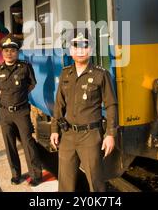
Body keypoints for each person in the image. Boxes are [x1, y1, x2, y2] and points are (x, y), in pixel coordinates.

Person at [50, 30, 118, 192]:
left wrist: (110, 134)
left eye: (85, 46)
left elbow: (111, 105)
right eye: (76, 46)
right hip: (68, 135)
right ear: (71, 50)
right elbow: (59, 104)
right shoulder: (66, 73)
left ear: (91, 50)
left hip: (90, 136)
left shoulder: (101, 75)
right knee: (65, 183)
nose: (80, 50)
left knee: (96, 182)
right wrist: (54, 130)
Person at [0, 35, 42, 186]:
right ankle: (15, 174)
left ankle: (35, 175)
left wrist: (20, 97)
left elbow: (31, 84)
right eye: (6, 50)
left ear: (17, 52)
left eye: (13, 50)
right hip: (5, 113)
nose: (9, 53)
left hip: (21, 111)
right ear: (2, 53)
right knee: (9, 144)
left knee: (28, 143)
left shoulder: (25, 68)